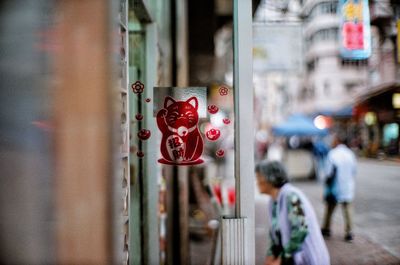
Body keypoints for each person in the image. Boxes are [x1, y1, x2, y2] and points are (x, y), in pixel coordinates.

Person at [256, 161, 330, 265]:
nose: (257, 181)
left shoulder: (291, 196)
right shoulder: (273, 201)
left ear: (270, 178)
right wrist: (271, 253)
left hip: (309, 259)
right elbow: (275, 232)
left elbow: (301, 230)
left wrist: (282, 257)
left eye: (259, 177)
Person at [321, 134, 357, 242]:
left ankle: (326, 228)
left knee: (329, 209)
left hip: (335, 188)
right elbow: (354, 171)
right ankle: (349, 232)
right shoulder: (350, 154)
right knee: (348, 209)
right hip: (347, 187)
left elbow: (328, 172)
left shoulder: (332, 154)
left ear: (337, 141)